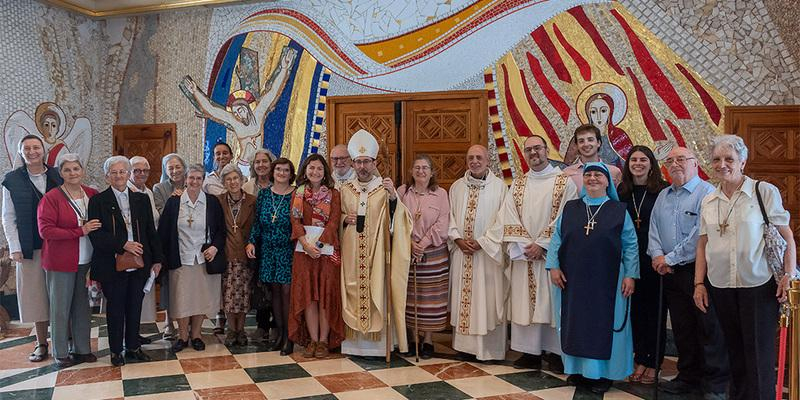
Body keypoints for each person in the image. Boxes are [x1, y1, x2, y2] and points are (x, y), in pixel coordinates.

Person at [693, 135, 797, 400]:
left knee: (759, 356)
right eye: (717, 159)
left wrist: (788, 274)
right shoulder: (708, 199)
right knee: (734, 353)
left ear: (743, 162)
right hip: (721, 286)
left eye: (729, 159)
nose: (722, 164)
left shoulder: (763, 192)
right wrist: (699, 284)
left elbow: (787, 238)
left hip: (758, 286)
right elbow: (703, 244)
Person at [546, 162, 639, 394]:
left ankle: (602, 375)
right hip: (574, 280)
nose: (593, 178)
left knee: (604, 326)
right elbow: (556, 239)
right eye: (588, 175)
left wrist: (631, 274)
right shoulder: (570, 208)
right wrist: (553, 267)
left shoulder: (618, 210)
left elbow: (630, 245)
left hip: (609, 280)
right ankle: (579, 371)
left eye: (598, 175)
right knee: (576, 324)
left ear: (608, 181)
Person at [648, 147, 729, 398]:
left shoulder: (706, 194)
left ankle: (714, 382)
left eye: (681, 159)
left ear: (695, 163)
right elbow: (654, 230)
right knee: (683, 327)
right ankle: (688, 376)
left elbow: (700, 235)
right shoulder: (663, 195)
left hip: (699, 272)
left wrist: (669, 258)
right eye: (670, 161)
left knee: (708, 327)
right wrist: (657, 256)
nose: (675, 164)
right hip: (670, 273)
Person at [500, 136, 578, 371]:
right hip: (524, 257)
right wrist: (526, 245)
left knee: (551, 305)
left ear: (546, 150)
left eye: (537, 148)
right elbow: (509, 215)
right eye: (529, 150)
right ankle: (529, 352)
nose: (533, 153)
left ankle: (554, 353)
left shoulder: (564, 183)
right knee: (525, 303)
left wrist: (543, 245)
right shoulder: (519, 184)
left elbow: (567, 217)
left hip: (551, 257)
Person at [338, 129, 413, 357]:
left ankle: (380, 346)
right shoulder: (344, 189)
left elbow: (400, 221)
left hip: (378, 252)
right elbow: (337, 217)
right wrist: (344, 219)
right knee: (352, 288)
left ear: (374, 162)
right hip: (352, 252)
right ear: (353, 163)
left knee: (377, 289)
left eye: (366, 162)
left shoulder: (384, 188)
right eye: (358, 162)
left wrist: (392, 199)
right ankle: (354, 344)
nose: (362, 166)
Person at [88, 156, 163, 366]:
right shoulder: (98, 201)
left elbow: (150, 232)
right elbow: (96, 235)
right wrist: (123, 244)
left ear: (128, 174)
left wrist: (157, 259)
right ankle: (115, 351)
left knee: (134, 306)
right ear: (107, 176)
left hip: (140, 263)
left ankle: (132, 347)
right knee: (116, 308)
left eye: (123, 172)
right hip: (113, 264)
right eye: (114, 172)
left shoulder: (141, 199)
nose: (119, 176)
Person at [1, 134, 61, 362]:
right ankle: (41, 342)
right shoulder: (12, 180)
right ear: (21, 152)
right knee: (35, 295)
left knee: (60, 294)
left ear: (43, 150)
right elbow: (8, 217)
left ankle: (63, 339)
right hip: (29, 247)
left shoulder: (57, 175)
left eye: (36, 147)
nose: (32, 151)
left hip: (58, 245)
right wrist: (15, 247)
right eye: (27, 148)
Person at [37, 153, 99, 368]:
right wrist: (79, 231)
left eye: (76, 169)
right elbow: (46, 231)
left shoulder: (92, 194)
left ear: (82, 171)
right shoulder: (51, 198)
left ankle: (82, 349)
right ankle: (60, 352)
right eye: (67, 170)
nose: (73, 173)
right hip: (60, 261)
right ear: (60, 173)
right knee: (60, 308)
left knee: (82, 307)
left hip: (87, 261)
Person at [448, 145, 508, 361]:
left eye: (479, 157)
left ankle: (489, 350)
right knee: (464, 301)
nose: (475, 161)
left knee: (486, 302)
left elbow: (504, 220)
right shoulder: (456, 187)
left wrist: (483, 242)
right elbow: (450, 217)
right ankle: (464, 348)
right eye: (470, 158)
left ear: (488, 160)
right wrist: (457, 239)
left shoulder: (500, 187)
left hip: (487, 256)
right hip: (462, 254)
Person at [158, 164, 225, 353]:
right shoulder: (174, 202)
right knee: (181, 299)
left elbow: (221, 231)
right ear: (185, 179)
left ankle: (196, 335)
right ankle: (182, 337)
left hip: (204, 258)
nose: (194, 182)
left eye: (198, 178)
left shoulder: (211, 202)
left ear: (203, 181)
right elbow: (163, 231)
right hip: (180, 258)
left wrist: (214, 247)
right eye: (191, 178)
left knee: (200, 299)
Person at [617, 145, 668, 384]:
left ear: (651, 163)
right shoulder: (622, 191)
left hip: (655, 258)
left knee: (654, 311)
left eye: (643, 159)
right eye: (633, 160)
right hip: (630, 258)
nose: (638, 163)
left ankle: (653, 361)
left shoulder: (663, 190)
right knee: (635, 311)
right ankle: (639, 357)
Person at [288, 154, 345, 358]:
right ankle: (312, 339)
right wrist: (306, 245)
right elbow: (295, 222)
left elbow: (334, 221)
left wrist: (319, 245)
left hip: (326, 253)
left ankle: (323, 341)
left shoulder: (334, 194)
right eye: (311, 168)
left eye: (319, 168)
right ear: (305, 170)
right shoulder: (298, 193)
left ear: (325, 172)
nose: (315, 172)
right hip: (304, 254)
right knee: (309, 297)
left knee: (325, 297)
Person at [397, 154, 450, 359]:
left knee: (430, 300)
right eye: (417, 167)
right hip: (407, 250)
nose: (420, 171)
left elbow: (442, 222)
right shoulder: (403, 192)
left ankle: (427, 340)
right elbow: (396, 220)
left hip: (433, 253)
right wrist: (410, 244)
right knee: (409, 297)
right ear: (411, 171)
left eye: (425, 168)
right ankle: (411, 338)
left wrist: (423, 244)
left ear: (432, 172)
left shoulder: (441, 194)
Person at [246, 158, 296, 355]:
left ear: (291, 174)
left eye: (286, 170)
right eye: (278, 170)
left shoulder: (296, 194)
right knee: (274, 292)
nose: (282, 173)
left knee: (287, 293)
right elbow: (257, 222)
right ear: (273, 172)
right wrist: (251, 241)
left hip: (288, 249)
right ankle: (280, 335)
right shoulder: (265, 195)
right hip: (268, 249)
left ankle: (289, 338)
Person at [218, 164, 256, 346]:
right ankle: (231, 330)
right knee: (228, 295)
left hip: (245, 253)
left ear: (242, 180)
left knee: (243, 295)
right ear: (223, 182)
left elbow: (257, 227)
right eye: (228, 179)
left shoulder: (252, 200)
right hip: (226, 253)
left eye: (235, 178)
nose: (232, 182)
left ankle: (241, 329)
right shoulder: (218, 201)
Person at [151, 153, 186, 340]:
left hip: (188, 241)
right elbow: (160, 214)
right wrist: (173, 200)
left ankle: (185, 323)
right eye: (170, 168)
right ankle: (168, 322)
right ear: (165, 170)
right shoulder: (160, 188)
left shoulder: (192, 184)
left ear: (184, 167)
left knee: (185, 283)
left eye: (177, 166)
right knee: (168, 283)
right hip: (168, 241)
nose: (174, 171)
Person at [128, 155, 159, 344]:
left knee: (138, 296)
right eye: (136, 170)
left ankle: (134, 333)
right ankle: (128, 335)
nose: (141, 174)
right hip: (131, 252)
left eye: (144, 170)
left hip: (146, 250)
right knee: (129, 296)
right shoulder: (127, 191)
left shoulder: (147, 191)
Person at [562, 124, 622, 190]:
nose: (586, 144)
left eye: (590, 140)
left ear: (598, 143)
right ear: (577, 146)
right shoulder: (566, 173)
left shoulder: (614, 172)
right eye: (581, 141)